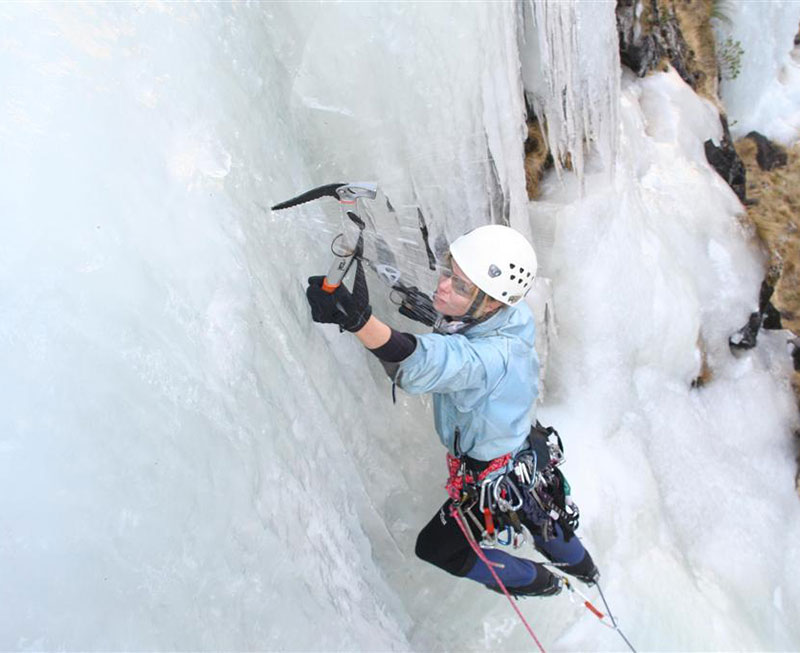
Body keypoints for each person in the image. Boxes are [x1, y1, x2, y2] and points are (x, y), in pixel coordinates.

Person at [305, 224, 597, 597]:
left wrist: (356, 320)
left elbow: (432, 362)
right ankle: (586, 571)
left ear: (491, 302)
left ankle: (544, 583)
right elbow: (457, 334)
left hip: (493, 480)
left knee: (436, 548)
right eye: (449, 274)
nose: (442, 287)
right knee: (542, 519)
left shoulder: (491, 359)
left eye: (460, 287)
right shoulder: (507, 315)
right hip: (523, 454)